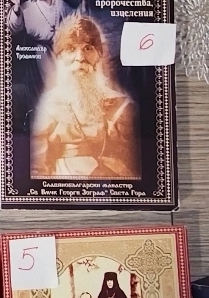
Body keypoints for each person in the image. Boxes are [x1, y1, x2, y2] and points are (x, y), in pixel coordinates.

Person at [31, 15, 139, 178]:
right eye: (71, 49)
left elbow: (130, 167)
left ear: (99, 55)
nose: (80, 58)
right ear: (59, 57)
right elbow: (37, 170)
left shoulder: (122, 106)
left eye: (88, 48)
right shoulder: (48, 107)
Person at [6, 0, 91, 48]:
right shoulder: (29, 7)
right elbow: (14, 27)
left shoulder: (58, 2)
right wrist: (16, 7)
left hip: (61, 46)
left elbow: (75, 17)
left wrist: (84, 0)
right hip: (40, 49)